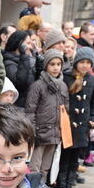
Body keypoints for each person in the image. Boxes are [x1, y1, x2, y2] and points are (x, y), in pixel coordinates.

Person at [61, 47, 94, 188]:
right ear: (76, 62)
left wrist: (93, 118)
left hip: (82, 127)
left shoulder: (91, 80)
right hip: (69, 125)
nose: (85, 65)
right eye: (82, 62)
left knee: (75, 159)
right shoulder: (67, 77)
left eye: (88, 63)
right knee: (65, 158)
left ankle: (69, 186)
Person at [25, 49, 69, 180]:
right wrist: (32, 132)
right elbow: (30, 111)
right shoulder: (37, 86)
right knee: (34, 167)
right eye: (52, 64)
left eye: (58, 64)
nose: (56, 68)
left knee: (45, 167)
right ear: (46, 66)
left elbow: (65, 110)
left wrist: (62, 131)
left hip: (54, 133)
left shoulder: (63, 86)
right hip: (39, 133)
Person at [2, 30, 36, 107]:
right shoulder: (8, 63)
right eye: (27, 43)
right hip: (17, 106)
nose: (30, 47)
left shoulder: (28, 60)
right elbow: (19, 84)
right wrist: (23, 56)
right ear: (19, 45)